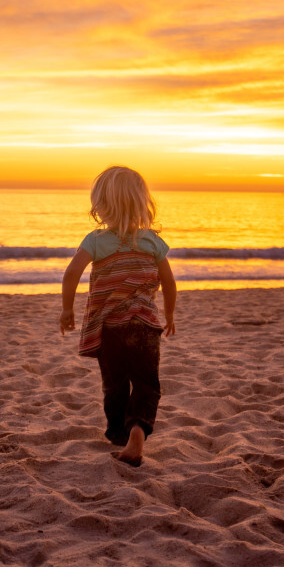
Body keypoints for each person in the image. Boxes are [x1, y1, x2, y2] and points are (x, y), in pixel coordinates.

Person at [60, 166, 177, 467]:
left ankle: (118, 434)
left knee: (114, 384)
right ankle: (137, 431)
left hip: (111, 328)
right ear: (141, 202)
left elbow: (72, 272)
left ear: (102, 205)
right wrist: (169, 313)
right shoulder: (152, 241)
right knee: (146, 383)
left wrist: (67, 309)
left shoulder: (96, 241)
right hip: (146, 326)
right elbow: (169, 281)